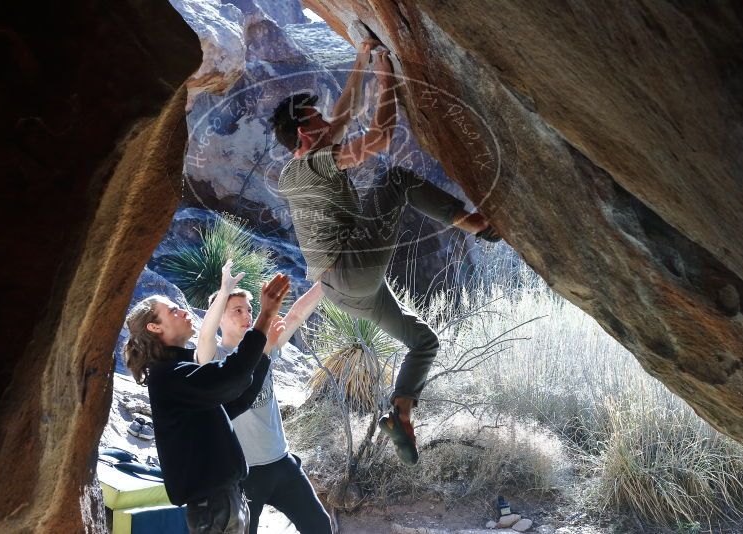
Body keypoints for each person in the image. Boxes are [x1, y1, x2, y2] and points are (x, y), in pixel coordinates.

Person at [270, 43, 500, 465]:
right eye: (318, 119)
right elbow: (380, 138)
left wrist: (361, 61)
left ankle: (401, 413)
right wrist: (385, 73)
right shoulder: (316, 163)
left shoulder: (292, 171)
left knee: (423, 342)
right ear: (305, 134)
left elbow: (343, 114)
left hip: (344, 292)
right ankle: (477, 224)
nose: (329, 122)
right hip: (350, 271)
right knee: (395, 180)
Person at [123, 273, 290, 533]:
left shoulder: (179, 372)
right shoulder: (167, 376)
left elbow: (237, 400)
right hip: (214, 508)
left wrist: (264, 354)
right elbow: (231, 376)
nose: (183, 310)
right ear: (154, 327)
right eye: (173, 310)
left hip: (226, 503)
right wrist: (264, 317)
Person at [196, 259, 331, 534]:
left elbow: (295, 315)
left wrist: (329, 280)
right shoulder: (213, 358)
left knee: (320, 526)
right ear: (219, 316)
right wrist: (224, 291)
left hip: (282, 463)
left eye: (249, 309)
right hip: (243, 475)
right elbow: (205, 335)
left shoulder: (264, 345)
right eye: (237, 310)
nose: (247, 315)